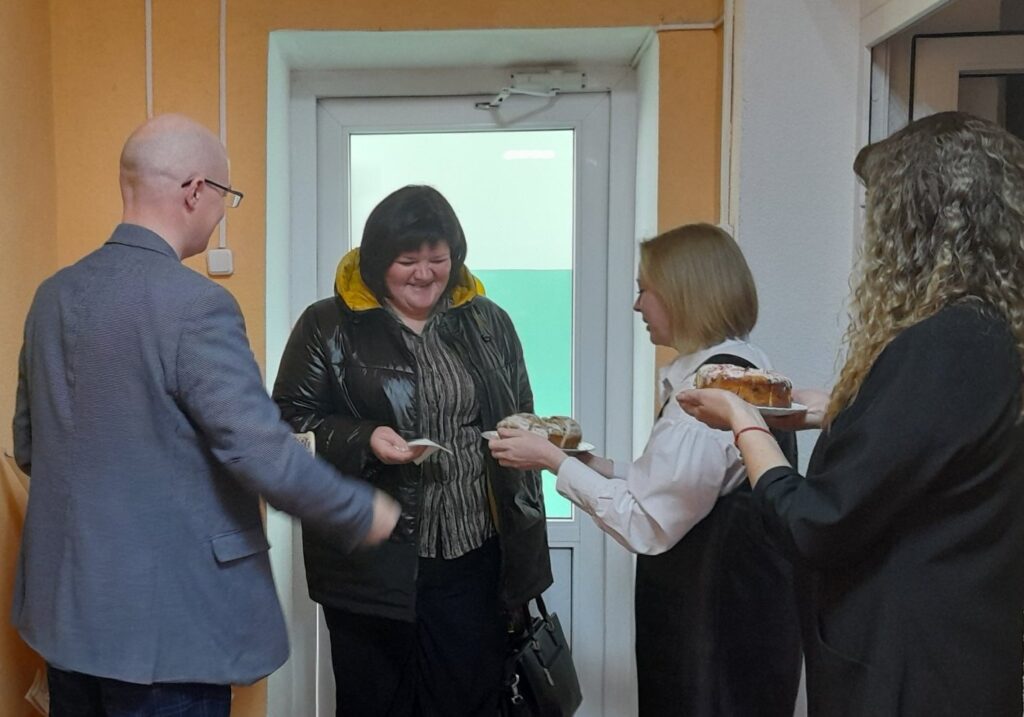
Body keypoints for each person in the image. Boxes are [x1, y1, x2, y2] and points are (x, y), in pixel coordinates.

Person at [11, 114, 399, 717]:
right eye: (226, 196)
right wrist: (358, 510)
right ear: (196, 191)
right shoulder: (196, 306)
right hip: (170, 630)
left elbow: (30, 445)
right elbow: (259, 452)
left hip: (67, 619)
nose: (222, 212)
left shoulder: (53, 295)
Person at [679, 111, 1024, 715]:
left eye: (880, 211)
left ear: (920, 220)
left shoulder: (946, 343)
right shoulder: (987, 332)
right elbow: (924, 444)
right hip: (959, 655)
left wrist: (744, 423)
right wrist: (826, 410)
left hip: (910, 672)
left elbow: (817, 522)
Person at [489, 223, 801, 716]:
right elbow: (672, 486)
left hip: (712, 641)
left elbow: (647, 523)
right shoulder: (745, 369)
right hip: (740, 627)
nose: (637, 306)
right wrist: (590, 464)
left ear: (684, 296)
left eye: (644, 291)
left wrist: (552, 461)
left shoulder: (709, 397)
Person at [271, 184, 553, 716]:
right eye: (407, 261)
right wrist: (365, 439)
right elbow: (287, 424)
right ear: (379, 262)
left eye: (437, 259)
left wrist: (534, 444)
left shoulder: (489, 322)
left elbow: (521, 410)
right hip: (371, 562)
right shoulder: (326, 326)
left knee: (470, 702)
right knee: (377, 705)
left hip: (474, 557)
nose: (424, 274)